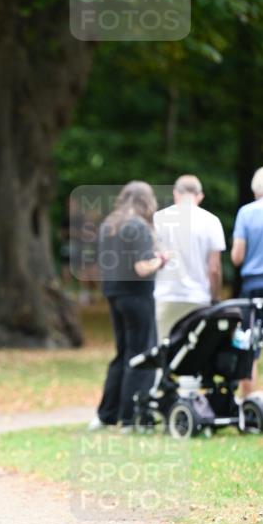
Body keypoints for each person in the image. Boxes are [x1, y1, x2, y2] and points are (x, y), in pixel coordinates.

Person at [89, 181, 168, 431]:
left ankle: (105, 415)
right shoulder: (138, 227)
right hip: (137, 296)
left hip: (114, 294)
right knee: (140, 355)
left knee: (122, 354)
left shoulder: (110, 225)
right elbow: (142, 267)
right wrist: (161, 260)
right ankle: (131, 417)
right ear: (147, 201)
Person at [153, 175, 226, 340]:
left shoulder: (158, 219)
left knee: (163, 351)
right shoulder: (212, 221)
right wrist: (215, 298)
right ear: (200, 196)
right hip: (199, 299)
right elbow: (214, 269)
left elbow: (151, 257)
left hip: (166, 296)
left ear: (175, 194)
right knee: (196, 354)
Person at [231, 166, 263, 395]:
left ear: (255, 190)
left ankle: (251, 402)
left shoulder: (246, 213)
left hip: (253, 286)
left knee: (249, 344)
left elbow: (237, 257)